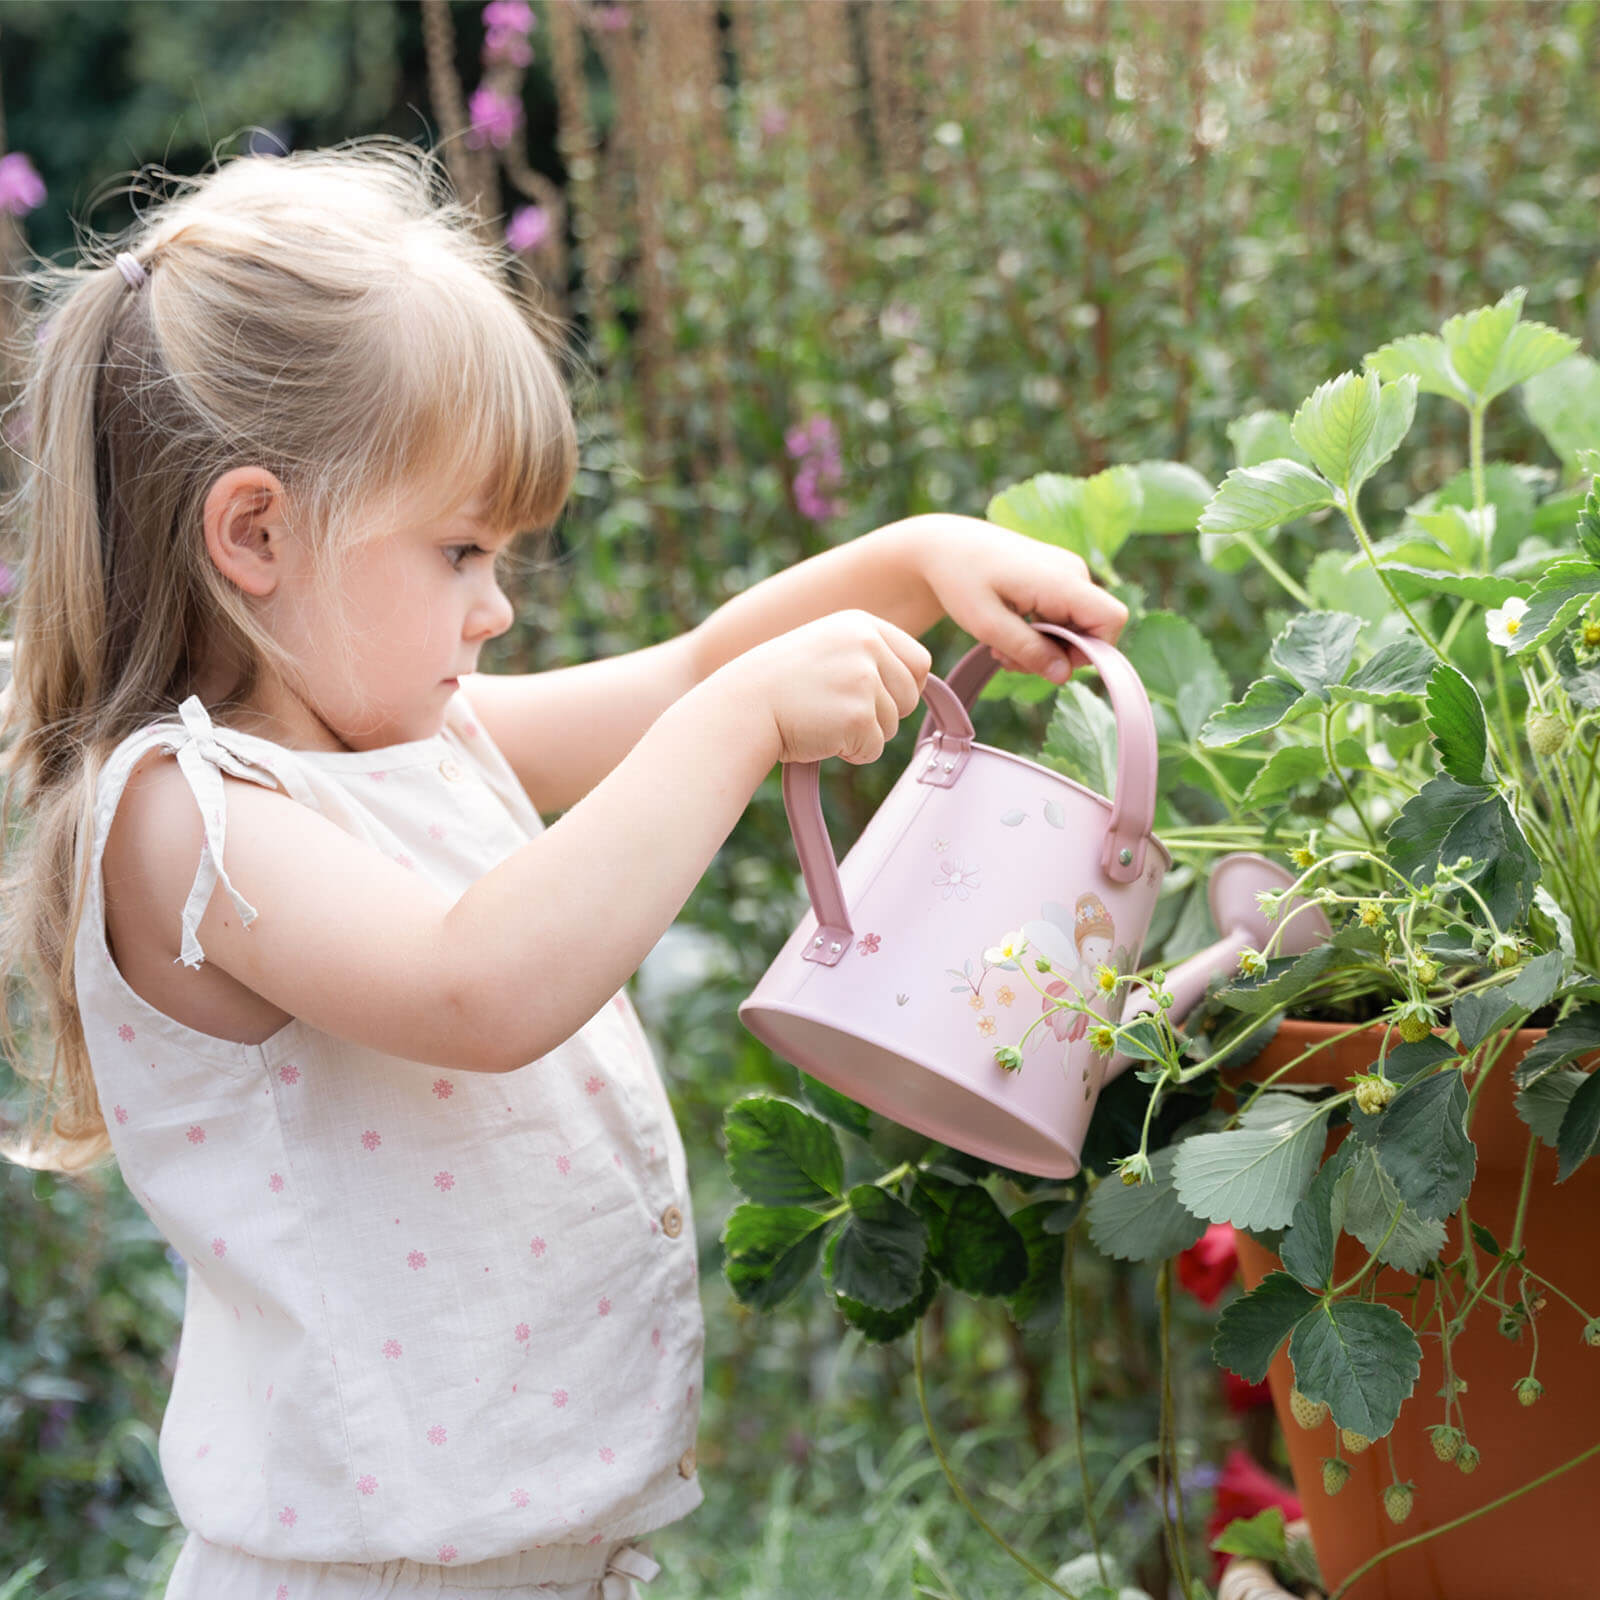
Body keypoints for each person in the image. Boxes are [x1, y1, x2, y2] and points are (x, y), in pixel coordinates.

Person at [0, 135, 1126, 1598]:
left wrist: (918, 558)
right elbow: (477, 984)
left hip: (531, 1553)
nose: (498, 612)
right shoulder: (183, 819)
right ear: (257, 532)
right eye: (462, 551)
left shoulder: (414, 738)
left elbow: (692, 669)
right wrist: (735, 728)